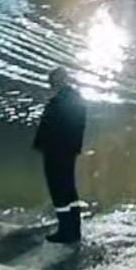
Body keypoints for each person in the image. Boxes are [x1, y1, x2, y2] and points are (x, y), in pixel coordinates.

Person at [33, 68, 87, 245]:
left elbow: (54, 127)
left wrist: (48, 146)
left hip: (57, 152)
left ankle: (66, 231)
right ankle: (73, 229)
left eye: (52, 80)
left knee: (59, 191)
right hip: (66, 151)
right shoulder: (73, 98)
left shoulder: (61, 101)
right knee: (68, 190)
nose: (50, 84)